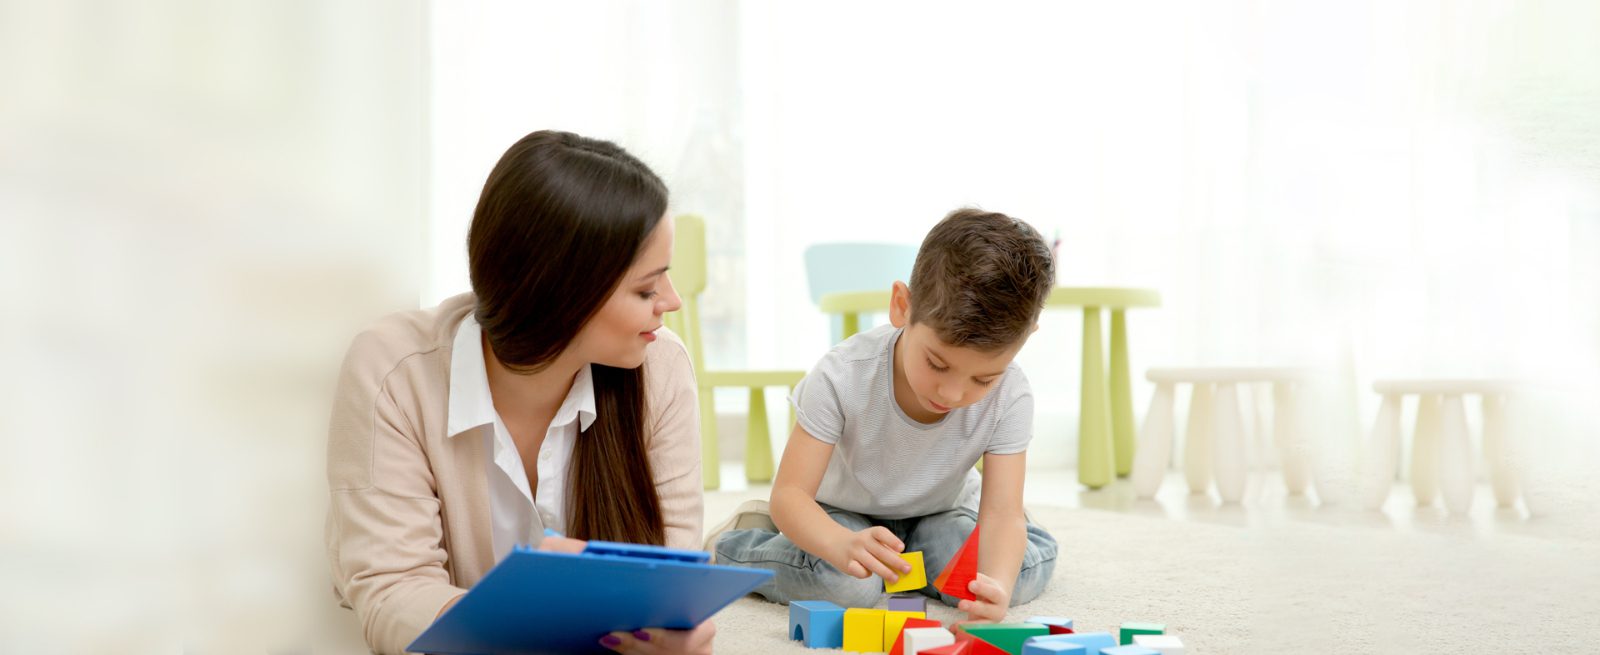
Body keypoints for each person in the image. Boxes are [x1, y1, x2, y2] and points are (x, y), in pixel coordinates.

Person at [325, 130, 710, 654]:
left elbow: (672, 573)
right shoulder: (393, 370)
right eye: (646, 288)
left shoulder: (660, 367)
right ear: (562, 292)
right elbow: (393, 593)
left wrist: (674, 631)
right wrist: (542, 613)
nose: (671, 302)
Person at [708, 208, 1059, 623]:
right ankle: (738, 547)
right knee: (847, 585)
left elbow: (1000, 513)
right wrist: (837, 543)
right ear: (901, 307)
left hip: (940, 515)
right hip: (841, 514)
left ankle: (1014, 542)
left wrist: (997, 584)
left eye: (982, 379)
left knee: (995, 579)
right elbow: (790, 496)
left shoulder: (1012, 393)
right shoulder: (842, 376)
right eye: (937, 364)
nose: (952, 393)